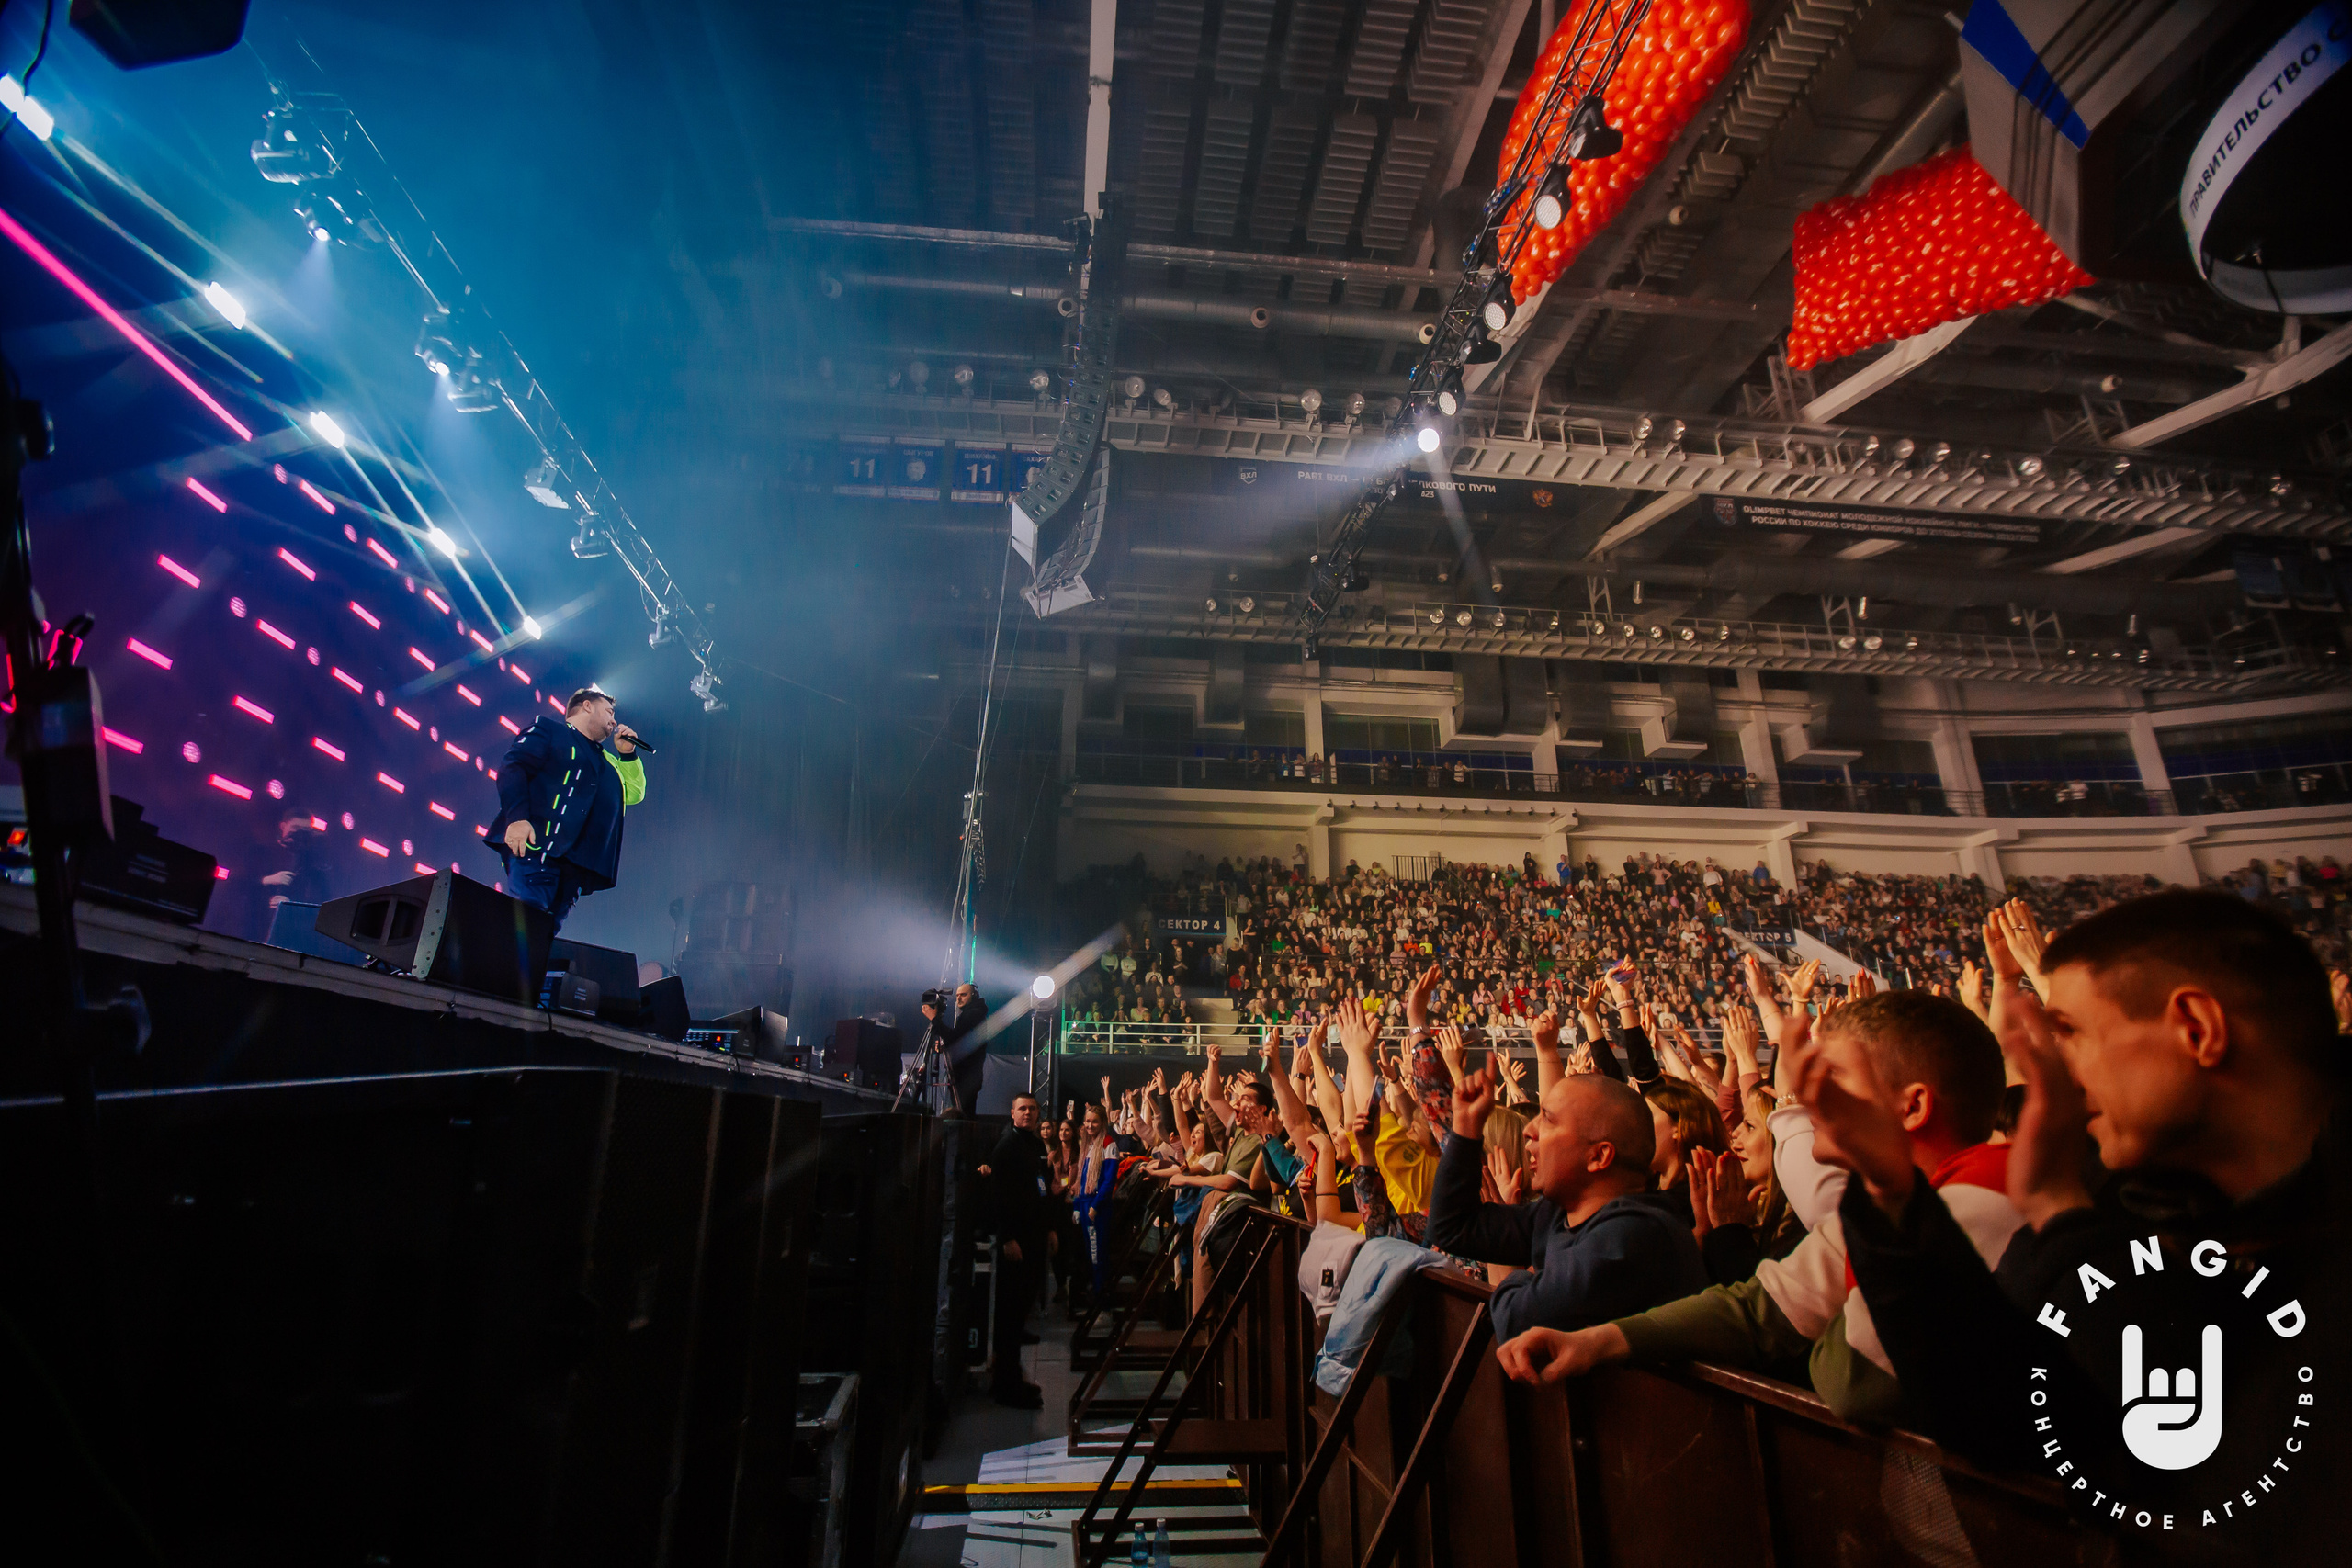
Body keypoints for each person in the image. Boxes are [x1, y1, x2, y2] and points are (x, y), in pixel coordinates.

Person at [1799, 892, 2348, 1546]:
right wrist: (1894, 1195)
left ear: (2197, 1028)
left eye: (2073, 1033)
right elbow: (2012, 1422)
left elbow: (2231, 1487)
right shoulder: (2138, 1208)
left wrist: (2066, 1221)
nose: (2058, 1068)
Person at [1427, 1063, 1706, 1342]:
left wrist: (1526, 1279)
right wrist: (1466, 1128)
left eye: (1548, 1119)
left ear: (1599, 1157)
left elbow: (1515, 1319)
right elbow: (1451, 1228)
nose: (1529, 1130)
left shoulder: (1636, 1236)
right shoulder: (1557, 1212)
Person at [483, 685, 645, 932]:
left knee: (545, 933)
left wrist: (627, 755)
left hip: (576, 867)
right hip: (539, 847)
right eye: (609, 712)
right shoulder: (551, 730)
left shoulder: (608, 761)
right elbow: (513, 767)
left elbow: (633, 793)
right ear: (588, 705)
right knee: (530, 921)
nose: (614, 721)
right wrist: (517, 819)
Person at [981, 1092, 1051, 1408]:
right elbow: (999, 1196)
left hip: (1034, 1238)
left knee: (1021, 1311)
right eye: (1022, 1108)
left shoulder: (1035, 1145)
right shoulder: (1007, 1146)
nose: (1028, 1113)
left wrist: (1050, 1228)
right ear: (1012, 1112)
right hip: (1016, 1241)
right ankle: (1006, 1386)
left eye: (1033, 1109)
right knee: (1009, 1316)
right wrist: (1007, 1237)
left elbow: (1042, 1187)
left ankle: (1012, 1375)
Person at [922, 982, 988, 1113]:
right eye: (957, 995)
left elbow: (955, 1038)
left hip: (966, 1077)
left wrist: (935, 1020)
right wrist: (946, 1045)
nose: (959, 998)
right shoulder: (974, 1014)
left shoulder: (973, 1014)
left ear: (974, 995)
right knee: (962, 1114)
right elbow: (962, 1041)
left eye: (963, 995)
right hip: (966, 1076)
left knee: (962, 1116)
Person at [259, 807, 331, 910]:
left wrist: (292, 904)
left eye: (305, 830)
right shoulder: (264, 851)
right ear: (283, 826)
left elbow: (322, 897)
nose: (299, 833)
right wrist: (268, 880)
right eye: (296, 828)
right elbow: (240, 881)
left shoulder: (311, 860)